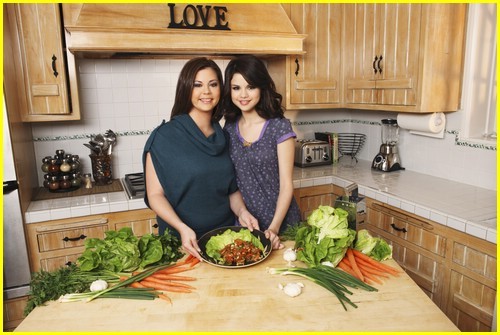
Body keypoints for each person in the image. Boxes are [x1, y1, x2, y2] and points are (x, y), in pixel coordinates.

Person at [143, 57, 259, 260]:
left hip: (223, 239)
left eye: (213, 84)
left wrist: (242, 212)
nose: (206, 91)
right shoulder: (164, 136)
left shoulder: (223, 135)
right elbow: (155, 195)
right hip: (184, 241)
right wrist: (181, 228)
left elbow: (230, 190)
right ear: (186, 89)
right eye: (198, 85)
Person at [216, 55, 301, 250]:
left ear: (261, 88)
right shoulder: (228, 128)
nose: (243, 95)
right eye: (236, 88)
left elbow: (287, 185)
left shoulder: (279, 127)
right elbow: (231, 183)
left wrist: (274, 228)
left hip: (282, 222)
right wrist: (242, 212)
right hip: (246, 223)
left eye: (250, 87)